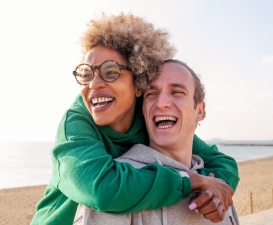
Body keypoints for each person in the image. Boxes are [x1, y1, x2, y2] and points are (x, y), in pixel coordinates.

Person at [31, 13, 239, 225]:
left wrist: (218, 189)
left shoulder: (147, 117)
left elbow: (220, 162)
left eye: (110, 72)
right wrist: (191, 181)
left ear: (138, 82)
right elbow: (102, 189)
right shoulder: (76, 124)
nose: (94, 84)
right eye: (87, 74)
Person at [73, 59, 240, 225]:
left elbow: (223, 162)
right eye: (151, 94)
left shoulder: (217, 185)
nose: (161, 103)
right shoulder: (118, 189)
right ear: (143, 109)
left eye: (176, 92)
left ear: (200, 110)